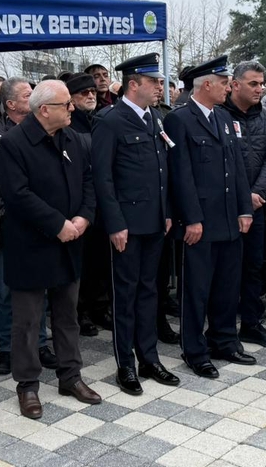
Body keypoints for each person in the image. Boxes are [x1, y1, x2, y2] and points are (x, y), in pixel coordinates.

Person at [0, 80, 101, 418]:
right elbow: (17, 194)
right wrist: (58, 224)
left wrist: (84, 217)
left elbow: (89, 180)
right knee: (27, 321)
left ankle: (70, 376)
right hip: (31, 245)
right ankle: (27, 385)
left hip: (70, 242)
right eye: (65, 104)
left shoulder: (74, 138)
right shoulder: (13, 143)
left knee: (67, 315)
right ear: (44, 110)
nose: (72, 108)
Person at [91, 54, 181, 395]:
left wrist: (166, 212)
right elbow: (103, 178)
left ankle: (149, 357)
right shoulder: (110, 121)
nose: (160, 87)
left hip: (154, 222)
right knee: (125, 294)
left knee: (149, 292)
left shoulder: (154, 118)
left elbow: (162, 172)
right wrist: (115, 224)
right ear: (134, 84)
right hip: (127, 225)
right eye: (154, 81)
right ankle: (125, 363)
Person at [164, 56, 255, 379]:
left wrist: (244, 208)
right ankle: (194, 350)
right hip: (200, 223)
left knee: (227, 287)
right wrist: (191, 218)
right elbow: (180, 174)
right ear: (206, 85)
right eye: (224, 83)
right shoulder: (179, 119)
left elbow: (237, 168)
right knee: (196, 290)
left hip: (228, 219)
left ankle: (224, 341)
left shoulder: (224, 118)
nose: (228, 88)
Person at [0, 78, 54, 375]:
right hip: (8, 225)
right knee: (6, 290)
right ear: (10, 104)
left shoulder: (45, 128)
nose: (33, 98)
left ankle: (40, 343)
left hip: (42, 224)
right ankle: (7, 347)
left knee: (40, 287)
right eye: (27, 95)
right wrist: (9, 217)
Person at [222, 61, 266, 349]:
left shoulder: (264, 117)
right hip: (227, 207)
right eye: (253, 84)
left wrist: (257, 193)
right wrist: (242, 196)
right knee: (227, 270)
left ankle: (251, 323)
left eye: (262, 83)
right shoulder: (220, 115)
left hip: (256, 205)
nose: (260, 89)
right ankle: (222, 329)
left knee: (254, 266)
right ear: (235, 84)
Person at [67, 73, 109, 335]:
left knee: (101, 258)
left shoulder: (100, 121)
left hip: (103, 203)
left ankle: (100, 306)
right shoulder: (68, 126)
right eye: (84, 93)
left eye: (93, 91)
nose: (91, 95)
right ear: (71, 99)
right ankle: (80, 311)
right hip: (80, 206)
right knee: (81, 261)